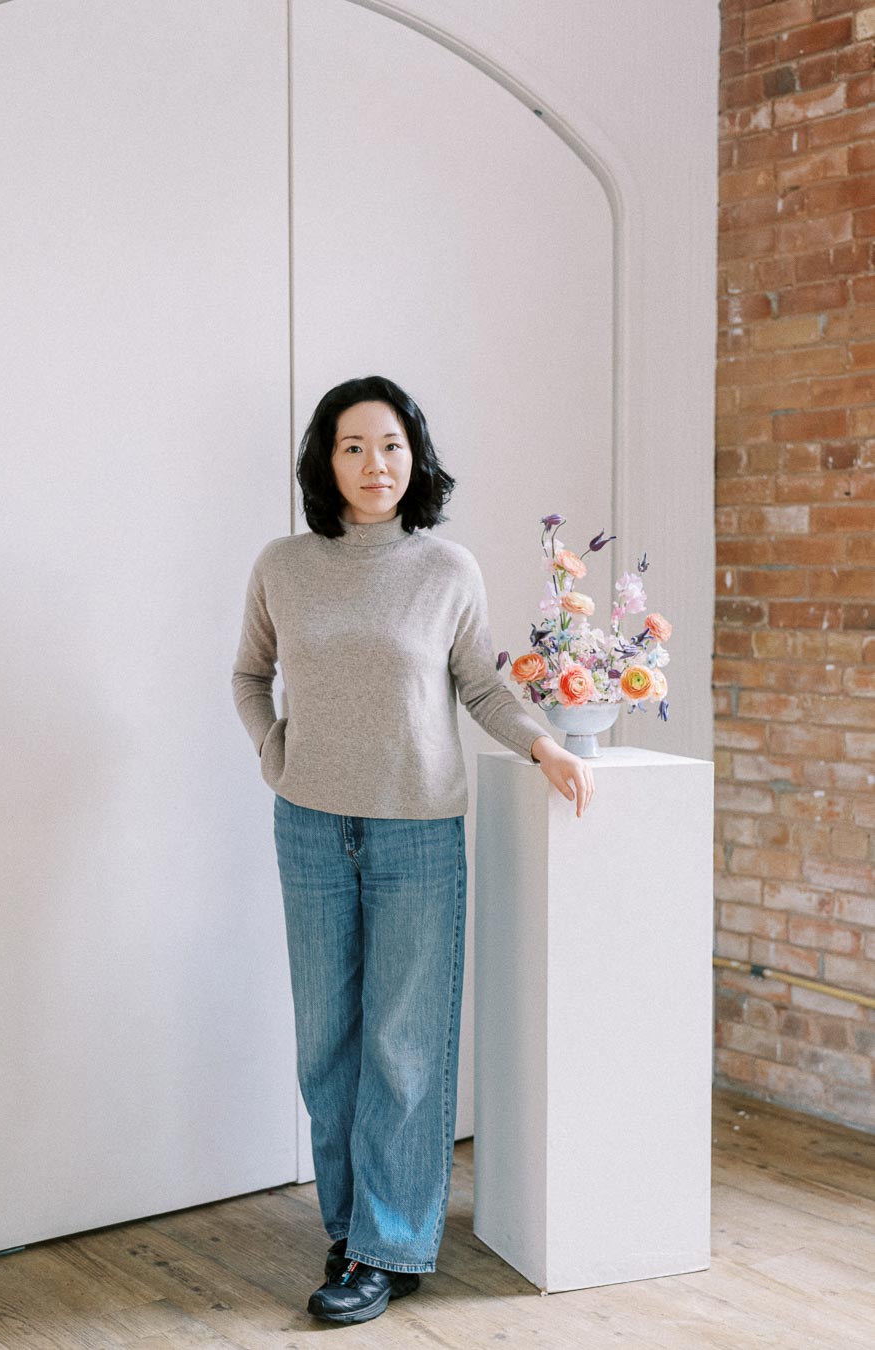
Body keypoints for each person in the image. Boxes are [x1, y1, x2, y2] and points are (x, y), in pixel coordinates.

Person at [231, 374, 595, 1326]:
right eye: (352, 446)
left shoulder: (447, 570)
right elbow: (248, 674)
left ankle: (387, 1248)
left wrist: (545, 744)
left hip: (418, 832)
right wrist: (278, 755)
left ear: (414, 455)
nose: (373, 464)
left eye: (389, 445)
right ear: (326, 459)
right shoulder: (283, 564)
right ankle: (351, 1226)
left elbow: (480, 686)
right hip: (309, 827)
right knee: (327, 1044)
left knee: (402, 1045)